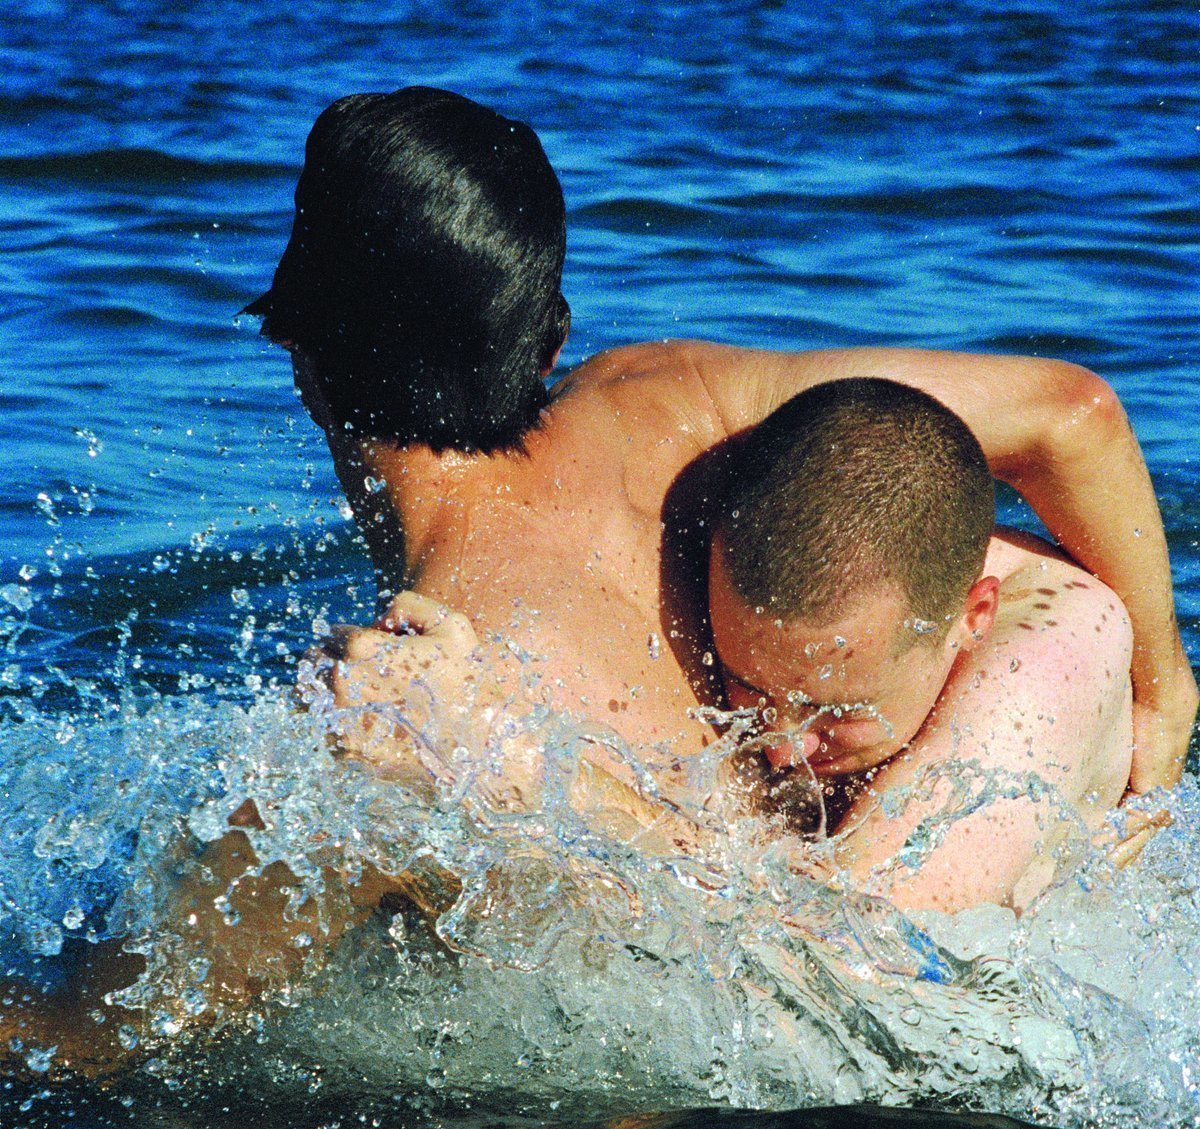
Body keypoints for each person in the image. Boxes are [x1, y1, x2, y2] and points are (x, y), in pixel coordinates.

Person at [256, 87, 1195, 789]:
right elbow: (1072, 415)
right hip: (1050, 700)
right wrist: (1166, 696)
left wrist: (504, 769)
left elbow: (752, 938)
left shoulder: (452, 645)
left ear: (292, 343)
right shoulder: (678, 397)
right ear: (551, 343)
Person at [707, 376, 1154, 912]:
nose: (781, 748)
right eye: (747, 687)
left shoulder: (1052, 658)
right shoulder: (783, 606)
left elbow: (848, 955)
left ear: (974, 617)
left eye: (835, 711)